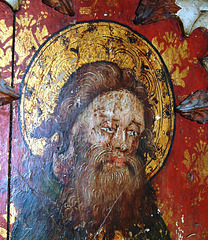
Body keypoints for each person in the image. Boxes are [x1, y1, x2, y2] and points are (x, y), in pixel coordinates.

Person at [12, 61, 171, 239]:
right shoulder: (41, 211)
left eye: (133, 132)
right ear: (74, 131)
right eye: (109, 127)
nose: (123, 144)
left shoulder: (146, 217)